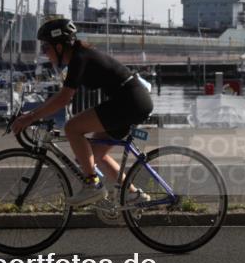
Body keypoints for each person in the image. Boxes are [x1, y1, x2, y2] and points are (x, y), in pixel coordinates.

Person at [10, 18, 154, 206]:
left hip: (129, 102)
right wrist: (32, 115)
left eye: (46, 48)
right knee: (92, 156)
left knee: (72, 128)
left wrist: (29, 117)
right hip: (131, 101)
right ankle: (134, 195)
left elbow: (63, 99)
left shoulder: (80, 58)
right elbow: (62, 96)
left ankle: (92, 185)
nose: (45, 53)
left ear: (60, 47)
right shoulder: (80, 56)